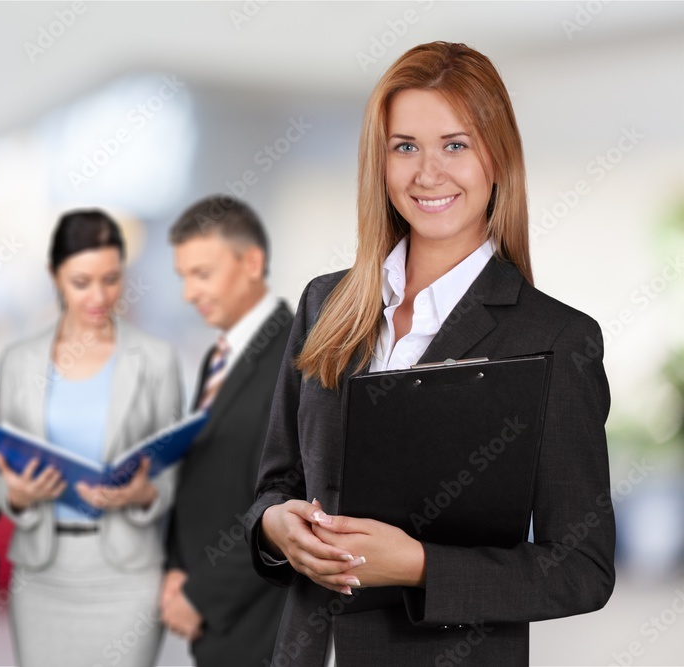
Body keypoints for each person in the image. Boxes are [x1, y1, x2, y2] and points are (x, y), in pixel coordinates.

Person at [246, 41, 615, 665]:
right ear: (380, 161)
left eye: (455, 144)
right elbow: (276, 484)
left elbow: (581, 568)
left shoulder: (555, 340)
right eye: (405, 146)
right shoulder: (324, 304)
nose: (427, 173)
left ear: (496, 158)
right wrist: (275, 528)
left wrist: (419, 567)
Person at [0, 209, 182, 667]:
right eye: (81, 282)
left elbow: (174, 473)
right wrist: (14, 494)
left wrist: (144, 493)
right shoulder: (18, 362)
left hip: (127, 574)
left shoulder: (155, 359)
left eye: (111, 279)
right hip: (42, 572)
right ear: (54, 277)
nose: (99, 296)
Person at [162, 195, 291, 665]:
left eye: (202, 274)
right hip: (220, 621)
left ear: (251, 262)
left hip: (258, 620)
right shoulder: (220, 356)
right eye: (183, 277)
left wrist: (201, 596)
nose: (188, 293)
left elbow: (287, 501)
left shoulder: (296, 361)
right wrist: (176, 565)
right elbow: (206, 480)